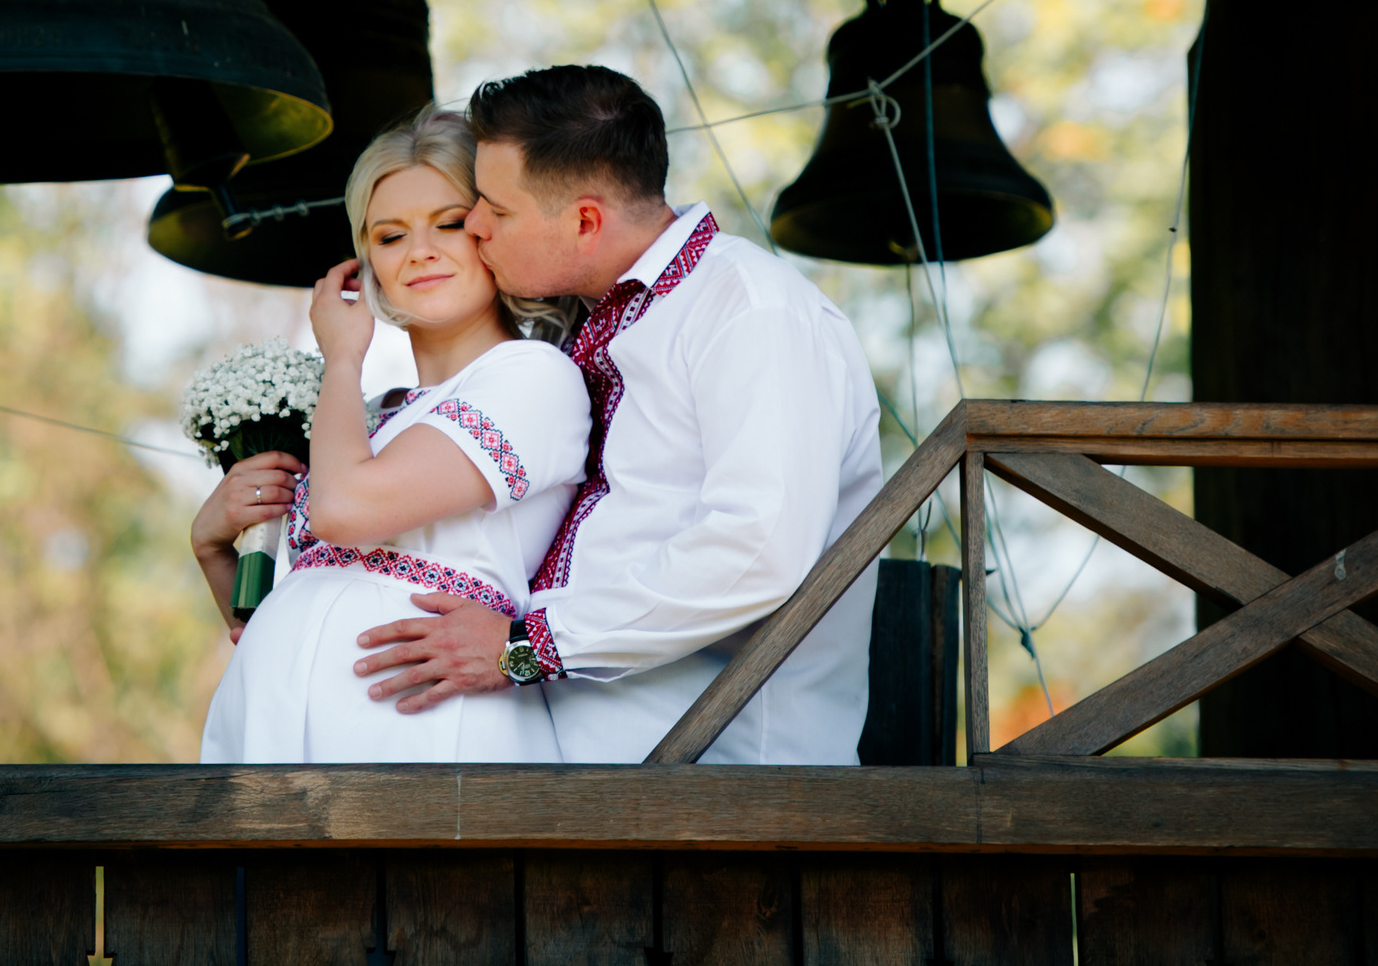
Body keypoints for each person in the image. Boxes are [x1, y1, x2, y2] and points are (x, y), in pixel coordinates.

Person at [349, 65, 887, 764]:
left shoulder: (749, 309)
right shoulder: (598, 325)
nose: (475, 227)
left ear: (584, 220)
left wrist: (521, 647)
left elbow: (755, 551)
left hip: (720, 787)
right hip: (582, 766)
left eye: (496, 210)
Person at [195, 105, 588, 763]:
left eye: (449, 224)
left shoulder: (533, 378)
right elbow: (271, 615)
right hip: (270, 734)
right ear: (366, 258)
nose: (420, 252)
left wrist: (341, 358)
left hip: (423, 736)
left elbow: (345, 512)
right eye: (390, 235)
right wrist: (212, 548)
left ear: (491, 229)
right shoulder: (370, 415)